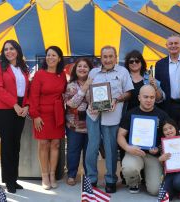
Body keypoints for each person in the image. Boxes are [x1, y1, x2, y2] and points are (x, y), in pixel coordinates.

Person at [85, 45, 134, 193]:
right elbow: (88, 92)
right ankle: (91, 179)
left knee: (111, 147)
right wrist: (90, 102)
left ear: (115, 57)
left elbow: (129, 93)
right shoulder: (93, 72)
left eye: (110, 56)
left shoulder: (123, 71)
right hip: (93, 114)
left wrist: (117, 99)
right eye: (104, 57)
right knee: (92, 147)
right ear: (101, 58)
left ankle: (111, 180)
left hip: (112, 115)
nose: (107, 59)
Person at [117, 85, 167, 195]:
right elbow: (120, 135)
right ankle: (134, 182)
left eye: (152, 97)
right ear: (139, 97)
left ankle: (147, 177)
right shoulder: (130, 114)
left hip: (153, 155)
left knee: (155, 191)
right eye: (146, 97)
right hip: (134, 152)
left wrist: (158, 149)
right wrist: (128, 148)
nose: (149, 100)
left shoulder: (162, 115)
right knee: (129, 168)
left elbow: (168, 137)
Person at [0, 40, 29, 193]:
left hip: (21, 108)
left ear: (17, 51)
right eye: (6, 49)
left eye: (12, 48)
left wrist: (26, 106)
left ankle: (14, 178)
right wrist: (15, 105)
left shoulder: (24, 68)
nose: (9, 51)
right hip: (5, 109)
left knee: (16, 145)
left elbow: (28, 90)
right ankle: (8, 181)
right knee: (7, 145)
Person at [29, 46, 67, 190]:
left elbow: (65, 94)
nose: (50, 57)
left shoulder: (62, 75)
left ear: (59, 58)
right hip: (42, 114)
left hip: (57, 113)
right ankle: (44, 175)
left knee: (56, 144)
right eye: (48, 55)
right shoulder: (39, 74)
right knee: (44, 144)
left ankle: (52, 174)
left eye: (54, 55)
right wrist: (35, 116)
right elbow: (33, 96)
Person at [63, 58, 93, 186]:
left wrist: (88, 87)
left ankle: (89, 175)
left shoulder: (96, 84)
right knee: (73, 151)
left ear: (90, 69)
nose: (82, 68)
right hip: (73, 125)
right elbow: (72, 104)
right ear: (75, 69)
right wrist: (84, 88)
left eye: (85, 66)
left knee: (89, 152)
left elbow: (96, 102)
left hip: (91, 124)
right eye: (79, 66)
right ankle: (71, 174)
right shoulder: (70, 85)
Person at [155, 35, 180, 133]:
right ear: (166, 46)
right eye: (171, 43)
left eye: (176, 43)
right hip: (168, 106)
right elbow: (158, 87)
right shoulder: (160, 64)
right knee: (170, 136)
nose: (173, 46)